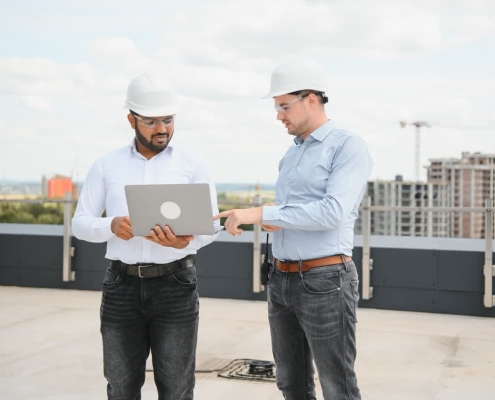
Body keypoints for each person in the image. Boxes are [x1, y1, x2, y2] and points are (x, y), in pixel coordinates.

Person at [214, 60, 373, 399]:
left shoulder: (347, 146)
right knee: (291, 384)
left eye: (284, 106)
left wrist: (261, 211)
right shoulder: (291, 154)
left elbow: (332, 212)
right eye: (277, 107)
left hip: (325, 281)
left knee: (337, 386)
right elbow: (294, 213)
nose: (278, 115)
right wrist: (268, 218)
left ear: (311, 99)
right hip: (281, 280)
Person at [72, 73, 219, 400]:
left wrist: (186, 242)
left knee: (177, 389)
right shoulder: (106, 165)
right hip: (120, 288)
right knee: (121, 388)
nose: (162, 128)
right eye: (151, 121)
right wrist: (110, 226)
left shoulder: (193, 165)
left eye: (168, 119)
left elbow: (209, 226)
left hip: (176, 285)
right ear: (131, 120)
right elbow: (79, 223)